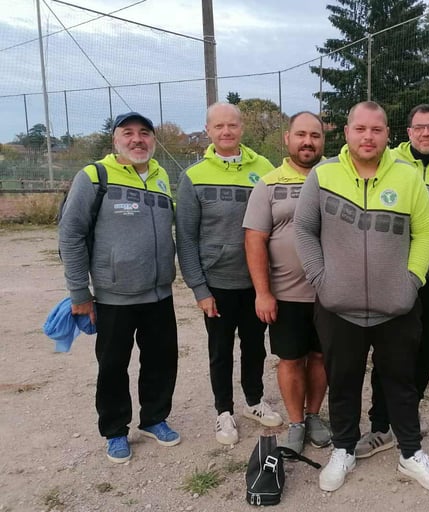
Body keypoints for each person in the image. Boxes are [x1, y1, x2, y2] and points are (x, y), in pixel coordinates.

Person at [294, 101, 429, 493]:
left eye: (376, 130)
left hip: (396, 307)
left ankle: (411, 453)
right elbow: (304, 230)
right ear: (346, 133)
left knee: (400, 382)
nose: (367, 136)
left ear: (387, 135)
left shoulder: (408, 177)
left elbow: (427, 232)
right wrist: (320, 279)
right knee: (343, 381)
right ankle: (343, 448)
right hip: (337, 306)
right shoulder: (323, 175)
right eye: (359, 129)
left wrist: (410, 280)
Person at [58, 112, 180, 463]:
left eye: (144, 133)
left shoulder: (161, 178)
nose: (137, 139)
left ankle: (155, 418)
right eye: (128, 133)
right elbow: (71, 234)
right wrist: (79, 293)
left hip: (159, 293)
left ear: (154, 141)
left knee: (161, 360)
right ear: (116, 140)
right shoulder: (94, 176)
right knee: (113, 365)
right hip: (114, 296)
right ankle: (115, 430)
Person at [356, 104, 429, 457]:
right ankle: (379, 425)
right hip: (393, 276)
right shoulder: (389, 162)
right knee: (388, 351)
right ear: (406, 132)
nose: (425, 133)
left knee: (424, 350)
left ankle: (408, 412)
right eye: (418, 127)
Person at [175, 102, 282, 446]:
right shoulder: (193, 176)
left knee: (255, 348)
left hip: (257, 283)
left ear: (241, 128)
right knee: (220, 350)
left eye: (232, 125)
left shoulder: (264, 169)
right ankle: (223, 411)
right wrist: (199, 289)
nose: (226, 132)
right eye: (218, 126)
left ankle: (253, 401)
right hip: (217, 285)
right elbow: (187, 238)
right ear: (208, 130)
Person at [242, 111, 332, 456]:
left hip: (328, 292)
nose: (308, 141)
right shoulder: (268, 184)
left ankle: (313, 416)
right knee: (291, 360)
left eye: (315, 135)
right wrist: (263, 293)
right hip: (286, 294)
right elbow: (254, 240)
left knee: (322, 357)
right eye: (301, 135)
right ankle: (295, 422)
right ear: (288, 139)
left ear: (323, 141)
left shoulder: (334, 179)